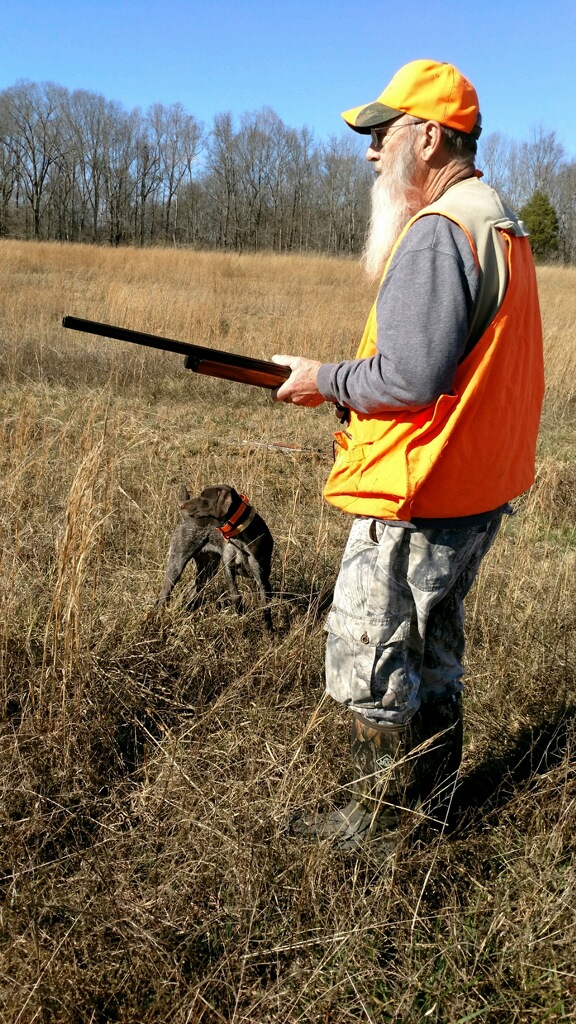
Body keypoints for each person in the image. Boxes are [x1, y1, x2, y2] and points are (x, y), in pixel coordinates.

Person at [272, 59, 544, 851]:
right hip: (474, 488)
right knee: (434, 654)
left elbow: (413, 376)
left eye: (382, 134)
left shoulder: (438, 232)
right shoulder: (498, 219)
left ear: (428, 136)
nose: (368, 153)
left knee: (374, 656)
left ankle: (374, 827)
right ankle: (435, 805)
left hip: (420, 492)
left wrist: (324, 379)